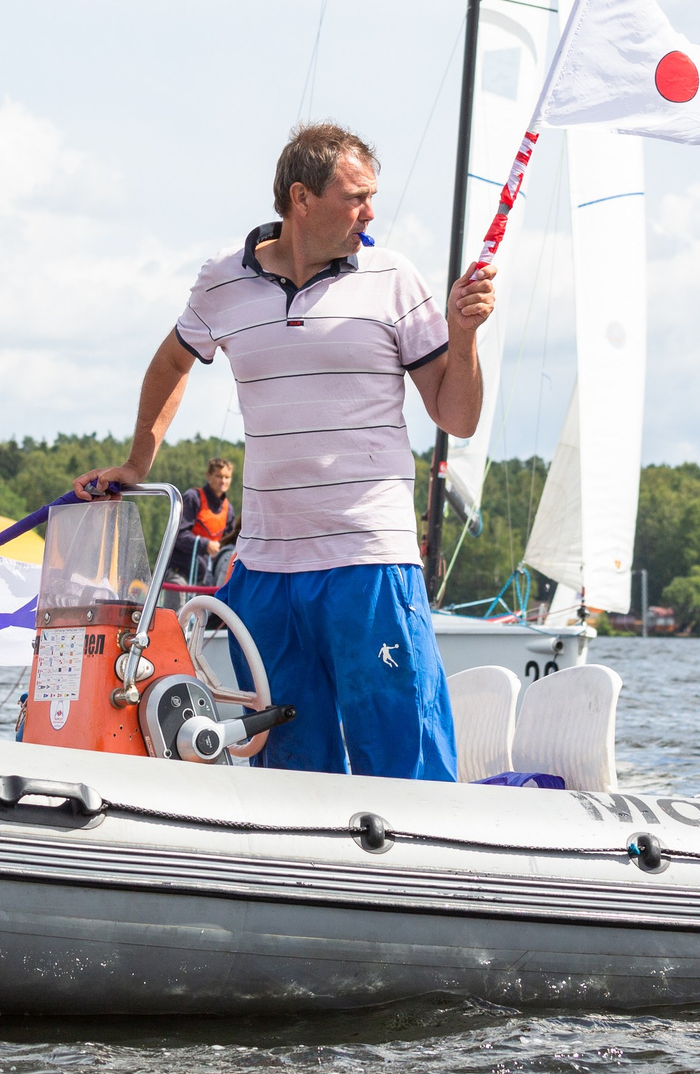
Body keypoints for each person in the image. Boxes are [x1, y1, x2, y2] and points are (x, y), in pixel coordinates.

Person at [74, 123, 494, 782]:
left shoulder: (394, 278)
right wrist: (137, 464)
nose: (371, 213)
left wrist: (463, 335)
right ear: (302, 198)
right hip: (267, 572)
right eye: (356, 197)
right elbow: (172, 362)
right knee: (289, 768)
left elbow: (456, 415)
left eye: (373, 197)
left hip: (370, 562)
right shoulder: (222, 281)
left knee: (404, 756)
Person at [169, 458, 237, 582]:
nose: (223, 481)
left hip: (207, 577)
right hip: (180, 572)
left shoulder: (229, 510)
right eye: (219, 476)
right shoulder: (193, 498)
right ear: (208, 476)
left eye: (227, 477)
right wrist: (206, 545)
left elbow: (229, 544)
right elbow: (178, 535)